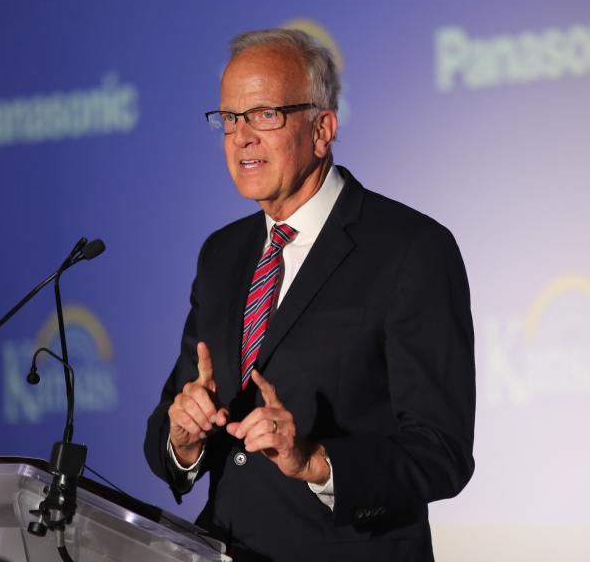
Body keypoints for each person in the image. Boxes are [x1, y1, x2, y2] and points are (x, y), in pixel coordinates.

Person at [144, 28, 475, 561]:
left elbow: (442, 453)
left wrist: (315, 461)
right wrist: (183, 439)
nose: (241, 137)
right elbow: (174, 415)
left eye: (264, 114)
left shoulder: (411, 248)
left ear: (322, 130)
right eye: (230, 118)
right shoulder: (222, 254)